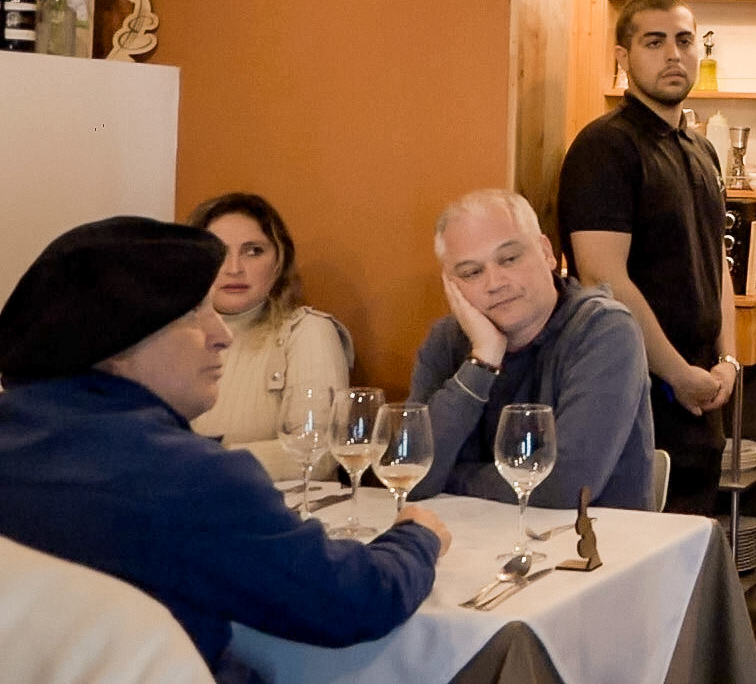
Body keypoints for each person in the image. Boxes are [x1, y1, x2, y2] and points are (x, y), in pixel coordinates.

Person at [0, 217, 449, 681]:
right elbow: (353, 601)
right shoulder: (183, 477)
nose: (223, 336)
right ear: (114, 342)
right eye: (193, 316)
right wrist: (417, 537)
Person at [559, 0, 739, 515]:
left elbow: (716, 264)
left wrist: (728, 360)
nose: (673, 55)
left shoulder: (701, 149)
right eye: (654, 43)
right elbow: (602, 277)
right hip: (635, 391)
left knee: (693, 546)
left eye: (684, 41)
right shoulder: (605, 147)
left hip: (702, 390)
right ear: (623, 56)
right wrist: (677, 373)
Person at [408, 189, 655, 510]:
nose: (495, 283)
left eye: (509, 259)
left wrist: (450, 476)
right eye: (472, 272)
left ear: (546, 253)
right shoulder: (446, 339)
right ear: (451, 285)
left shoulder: (605, 329)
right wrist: (483, 360)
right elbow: (408, 472)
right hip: (469, 536)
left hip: (593, 538)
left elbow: (566, 486)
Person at [184, 192, 352, 481]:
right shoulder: (170, 337)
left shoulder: (306, 331)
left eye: (253, 251)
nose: (234, 268)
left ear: (279, 262)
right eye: (218, 251)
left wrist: (200, 463)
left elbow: (319, 453)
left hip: (277, 505)